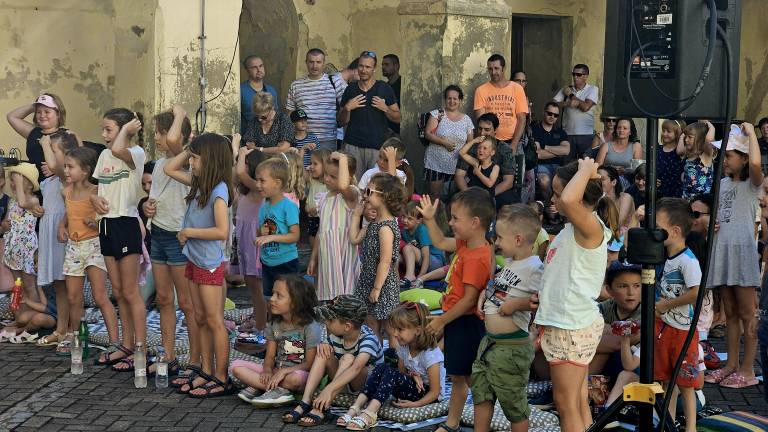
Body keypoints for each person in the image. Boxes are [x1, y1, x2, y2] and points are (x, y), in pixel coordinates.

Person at [534, 159, 613, 432]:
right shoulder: (573, 229)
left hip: (570, 326)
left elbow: (568, 200)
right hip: (568, 322)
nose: (553, 200)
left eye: (557, 193)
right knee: (577, 400)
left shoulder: (590, 228)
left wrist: (586, 169)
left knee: (565, 403)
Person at [164, 133, 235, 397]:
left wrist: (189, 232)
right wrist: (191, 146)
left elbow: (221, 231)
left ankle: (221, 377)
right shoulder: (200, 183)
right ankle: (206, 370)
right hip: (195, 259)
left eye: (195, 158)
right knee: (200, 317)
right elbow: (170, 168)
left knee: (214, 320)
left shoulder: (219, 190)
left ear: (210, 159)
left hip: (208, 263)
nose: (190, 162)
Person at [417, 189, 494, 432]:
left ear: (475, 222)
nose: (450, 223)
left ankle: (480, 425)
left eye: (455, 218)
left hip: (467, 323)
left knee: (473, 379)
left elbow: (469, 300)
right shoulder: (466, 244)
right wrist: (430, 219)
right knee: (458, 376)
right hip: (456, 320)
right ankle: (452, 423)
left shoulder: (477, 256)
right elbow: (440, 242)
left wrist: (442, 321)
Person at [473, 204, 543, 432]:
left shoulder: (535, 268)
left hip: (511, 349)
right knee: (481, 395)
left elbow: (541, 300)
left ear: (519, 239)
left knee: (514, 404)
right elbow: (497, 286)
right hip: (489, 344)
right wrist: (484, 296)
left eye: (501, 237)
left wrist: (516, 305)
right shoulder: (511, 263)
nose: (497, 242)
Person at [705, 123, 763, 389]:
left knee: (748, 312)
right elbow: (720, 215)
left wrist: (751, 135)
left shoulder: (753, 184)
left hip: (742, 252)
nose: (724, 160)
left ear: (743, 158)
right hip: (724, 249)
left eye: (729, 155)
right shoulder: (722, 183)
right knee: (730, 312)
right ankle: (731, 365)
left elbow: (756, 164)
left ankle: (748, 369)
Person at [91, 109, 147, 372]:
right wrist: (94, 199)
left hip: (126, 223)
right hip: (106, 225)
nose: (104, 135)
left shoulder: (135, 153)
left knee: (130, 290)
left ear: (126, 130)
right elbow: (97, 187)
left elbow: (118, 150)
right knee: (118, 291)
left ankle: (140, 348)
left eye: (109, 129)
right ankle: (126, 345)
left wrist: (126, 131)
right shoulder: (104, 155)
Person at [143, 106, 196, 379]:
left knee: (186, 302)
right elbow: (154, 197)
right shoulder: (157, 164)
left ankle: (196, 358)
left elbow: (176, 140)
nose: (157, 137)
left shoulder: (185, 159)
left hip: (178, 236)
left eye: (161, 132)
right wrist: (147, 207)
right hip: (159, 233)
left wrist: (180, 114)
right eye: (156, 132)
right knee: (164, 298)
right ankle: (169, 353)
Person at [57, 146, 120, 364]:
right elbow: (68, 213)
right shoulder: (66, 191)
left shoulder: (97, 191)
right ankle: (78, 339)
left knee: (100, 296)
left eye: (70, 167)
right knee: (73, 297)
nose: (66, 170)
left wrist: (96, 223)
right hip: (73, 247)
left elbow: (107, 215)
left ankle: (115, 342)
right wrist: (62, 225)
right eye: (65, 166)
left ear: (85, 171)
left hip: (93, 245)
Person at [341, 302, 444, 430]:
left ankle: (370, 413)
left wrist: (415, 405)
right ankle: (356, 407)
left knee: (391, 372)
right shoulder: (404, 347)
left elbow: (435, 392)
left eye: (400, 329)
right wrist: (412, 375)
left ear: (417, 330)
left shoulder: (430, 354)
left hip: (427, 396)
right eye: (394, 329)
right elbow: (401, 373)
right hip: (412, 389)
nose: (394, 334)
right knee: (382, 367)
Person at [284, 294, 381, 426]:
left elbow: (356, 368)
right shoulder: (337, 335)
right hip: (341, 383)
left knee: (348, 358)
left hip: (362, 388)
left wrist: (327, 390)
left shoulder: (369, 339)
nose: (326, 322)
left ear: (347, 326)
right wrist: (323, 344)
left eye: (330, 320)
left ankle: (322, 407)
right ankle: (305, 402)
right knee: (323, 352)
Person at [231, 274, 321, 406]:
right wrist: (267, 370)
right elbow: (270, 357)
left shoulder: (310, 327)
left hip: (299, 374)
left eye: (279, 295)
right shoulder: (274, 324)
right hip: (276, 371)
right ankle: (278, 390)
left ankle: (261, 387)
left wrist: (284, 372)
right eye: (273, 294)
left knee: (295, 379)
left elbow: (309, 364)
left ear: (296, 302)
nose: (272, 299)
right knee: (236, 367)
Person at [654, 198, 702, 432]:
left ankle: (690, 427)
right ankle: (669, 423)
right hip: (666, 328)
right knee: (667, 381)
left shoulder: (688, 261)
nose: (654, 231)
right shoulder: (668, 258)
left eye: (658, 226)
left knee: (685, 383)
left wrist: (667, 304)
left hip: (683, 332)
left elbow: (696, 293)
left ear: (674, 231)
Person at [350, 173, 404, 338]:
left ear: (384, 197)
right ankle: (375, 351)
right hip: (368, 280)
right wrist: (357, 215)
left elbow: (385, 261)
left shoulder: (385, 228)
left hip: (383, 284)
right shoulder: (374, 224)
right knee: (371, 323)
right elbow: (354, 239)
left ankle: (394, 353)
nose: (365, 196)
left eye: (369, 191)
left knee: (390, 327)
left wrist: (377, 288)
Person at [38, 132, 76, 354]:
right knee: (59, 284)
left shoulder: (65, 176)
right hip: (50, 234)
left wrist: (45, 142)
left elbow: (56, 165)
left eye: (54, 151)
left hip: (63, 233)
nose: (49, 157)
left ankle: (72, 331)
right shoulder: (51, 179)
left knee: (69, 284)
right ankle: (61, 329)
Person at [338, 51, 401, 179]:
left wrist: (385, 108)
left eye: (368, 67)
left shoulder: (384, 88)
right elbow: (340, 121)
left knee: (375, 185)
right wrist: (347, 108)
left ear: (374, 69)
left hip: (377, 148)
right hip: (353, 146)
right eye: (361, 66)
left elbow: (398, 118)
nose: (363, 70)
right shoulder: (350, 89)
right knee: (354, 185)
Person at [308, 152, 360, 301]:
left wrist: (343, 159)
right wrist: (313, 258)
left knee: (346, 297)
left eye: (333, 177)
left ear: (347, 176)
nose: (326, 179)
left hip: (344, 253)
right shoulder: (323, 198)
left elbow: (343, 186)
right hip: (327, 256)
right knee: (330, 298)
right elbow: (321, 232)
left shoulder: (351, 195)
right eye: (326, 174)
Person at [233, 147, 268, 336]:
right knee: (250, 282)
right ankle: (259, 319)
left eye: (245, 163)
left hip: (253, 237)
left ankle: (262, 326)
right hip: (243, 236)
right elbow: (235, 173)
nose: (241, 166)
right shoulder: (245, 188)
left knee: (257, 284)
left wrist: (241, 151)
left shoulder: (258, 186)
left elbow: (239, 172)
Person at [254, 157, 301, 297]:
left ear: (277, 183)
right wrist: (260, 235)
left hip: (286, 262)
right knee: (270, 299)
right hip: (267, 263)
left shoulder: (288, 207)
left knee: (288, 300)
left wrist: (271, 237)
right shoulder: (263, 207)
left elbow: (295, 235)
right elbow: (259, 234)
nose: (257, 185)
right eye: (257, 180)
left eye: (262, 181)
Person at [286, 48, 347, 151]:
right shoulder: (296, 85)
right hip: (303, 139)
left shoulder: (335, 82)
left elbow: (345, 109)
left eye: (318, 62)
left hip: (328, 139)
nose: (315, 66)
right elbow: (290, 113)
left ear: (324, 63)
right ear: (306, 63)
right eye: (311, 62)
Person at [589, 261, 642, 378]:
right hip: (608, 367)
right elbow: (585, 327)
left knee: (615, 351)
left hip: (634, 369)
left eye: (637, 286)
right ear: (609, 290)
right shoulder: (605, 308)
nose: (631, 292)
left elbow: (619, 342)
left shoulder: (647, 312)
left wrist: (603, 332)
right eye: (623, 286)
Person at [423, 85, 474, 201]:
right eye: (449, 98)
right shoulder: (438, 114)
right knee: (435, 196)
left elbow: (471, 143)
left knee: (455, 198)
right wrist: (444, 143)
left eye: (455, 98)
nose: (452, 101)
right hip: (436, 163)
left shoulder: (467, 120)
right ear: (445, 99)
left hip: (458, 165)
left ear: (460, 100)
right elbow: (428, 134)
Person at [455, 113, 517, 207]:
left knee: (508, 203)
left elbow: (508, 182)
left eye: (487, 129)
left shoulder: (504, 149)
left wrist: (488, 195)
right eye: (480, 129)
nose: (482, 133)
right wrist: (469, 195)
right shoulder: (471, 147)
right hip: (472, 190)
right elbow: (459, 175)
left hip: (496, 191)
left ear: (495, 130)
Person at [6, 93, 70, 179]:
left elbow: (80, 163)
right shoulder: (33, 132)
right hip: (34, 184)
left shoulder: (68, 135)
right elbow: (12, 117)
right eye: (39, 112)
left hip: (57, 184)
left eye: (47, 112)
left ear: (58, 114)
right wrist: (35, 106)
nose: (42, 115)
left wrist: (56, 169)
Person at [473, 54, 528, 153]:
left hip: (513, 141)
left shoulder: (517, 89)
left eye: (496, 68)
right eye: (490, 69)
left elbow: (522, 119)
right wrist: (489, 144)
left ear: (503, 68)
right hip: (490, 143)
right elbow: (481, 121)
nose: (493, 72)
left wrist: (514, 144)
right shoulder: (481, 90)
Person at [3, 163, 42, 304]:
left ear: (30, 185)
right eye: (12, 181)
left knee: (30, 284)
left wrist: (19, 184)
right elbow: (7, 219)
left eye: (18, 181)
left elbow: (23, 203)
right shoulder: (12, 201)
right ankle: (23, 312)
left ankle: (36, 310)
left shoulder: (33, 200)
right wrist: (4, 225)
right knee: (18, 284)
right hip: (13, 249)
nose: (14, 184)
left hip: (26, 250)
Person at [553, 64, 599, 161]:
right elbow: (552, 105)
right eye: (573, 74)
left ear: (586, 76)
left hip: (585, 134)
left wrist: (570, 95)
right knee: (567, 164)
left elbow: (585, 107)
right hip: (567, 133)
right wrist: (567, 104)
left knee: (585, 163)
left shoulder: (592, 89)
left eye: (578, 75)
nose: (575, 77)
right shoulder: (566, 89)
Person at [400, 202, 445, 288]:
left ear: (419, 221)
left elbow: (426, 256)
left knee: (408, 248)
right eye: (403, 217)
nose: (405, 220)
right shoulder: (405, 231)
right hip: (421, 262)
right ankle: (397, 280)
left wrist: (420, 277)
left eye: (409, 219)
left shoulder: (422, 230)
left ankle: (410, 277)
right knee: (398, 257)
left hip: (435, 262)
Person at [533, 102, 570, 205]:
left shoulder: (561, 132)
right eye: (550, 113)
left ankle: (559, 208)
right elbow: (538, 154)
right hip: (541, 166)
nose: (552, 117)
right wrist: (558, 152)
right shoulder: (535, 130)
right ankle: (551, 205)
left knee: (565, 182)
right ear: (544, 112)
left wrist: (546, 147)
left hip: (559, 166)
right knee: (544, 180)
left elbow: (566, 151)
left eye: (556, 115)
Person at [240, 55, 280, 134]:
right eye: (254, 67)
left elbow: (276, 115)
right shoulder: (240, 90)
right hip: (248, 136)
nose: (259, 70)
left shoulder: (271, 90)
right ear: (247, 70)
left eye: (261, 66)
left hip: (269, 136)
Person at [458, 136, 501, 205]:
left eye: (485, 148)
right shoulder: (476, 162)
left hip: (486, 200)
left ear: (492, 152)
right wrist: (474, 141)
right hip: (473, 198)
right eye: (479, 147)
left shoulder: (495, 167)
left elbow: (490, 184)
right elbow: (461, 153)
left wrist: (478, 173)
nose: (481, 150)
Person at [303, 149, 330, 252]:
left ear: (325, 165)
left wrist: (318, 209)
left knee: (323, 248)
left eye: (315, 164)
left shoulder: (329, 184)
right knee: (313, 244)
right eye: (311, 163)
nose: (311, 166)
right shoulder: (312, 180)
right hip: (312, 218)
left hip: (324, 220)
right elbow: (302, 172)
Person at [681, 121, 715, 199]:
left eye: (690, 137)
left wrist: (711, 127)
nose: (686, 140)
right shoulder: (690, 156)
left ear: (701, 139)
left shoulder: (705, 155)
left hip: (700, 201)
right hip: (686, 198)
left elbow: (709, 140)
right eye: (685, 137)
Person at [598, 165, 636, 230]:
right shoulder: (597, 198)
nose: (597, 182)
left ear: (614, 182)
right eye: (596, 179)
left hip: (625, 235)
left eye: (602, 179)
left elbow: (617, 225)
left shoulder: (625, 198)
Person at [657, 119, 686, 198]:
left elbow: (680, 151)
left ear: (678, 133)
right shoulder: (658, 149)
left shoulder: (680, 150)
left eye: (669, 131)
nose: (665, 134)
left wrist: (682, 136)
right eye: (663, 131)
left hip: (675, 192)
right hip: (659, 191)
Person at [382, 53, 401, 135]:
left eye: (386, 64)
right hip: (385, 130)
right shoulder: (384, 87)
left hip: (398, 130)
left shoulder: (403, 85)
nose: (383, 67)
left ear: (396, 66)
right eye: (382, 65)